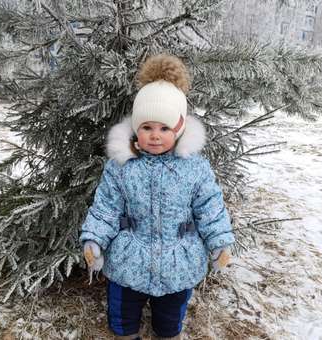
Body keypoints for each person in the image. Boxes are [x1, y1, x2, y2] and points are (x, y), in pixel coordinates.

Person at [80, 54, 235, 340]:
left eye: (164, 128)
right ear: (136, 128)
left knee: (168, 323)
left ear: (178, 130)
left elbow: (210, 207)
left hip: (178, 263)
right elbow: (106, 207)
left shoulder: (194, 167)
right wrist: (95, 239)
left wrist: (219, 242)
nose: (154, 136)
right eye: (147, 127)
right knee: (122, 320)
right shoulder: (121, 166)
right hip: (129, 261)